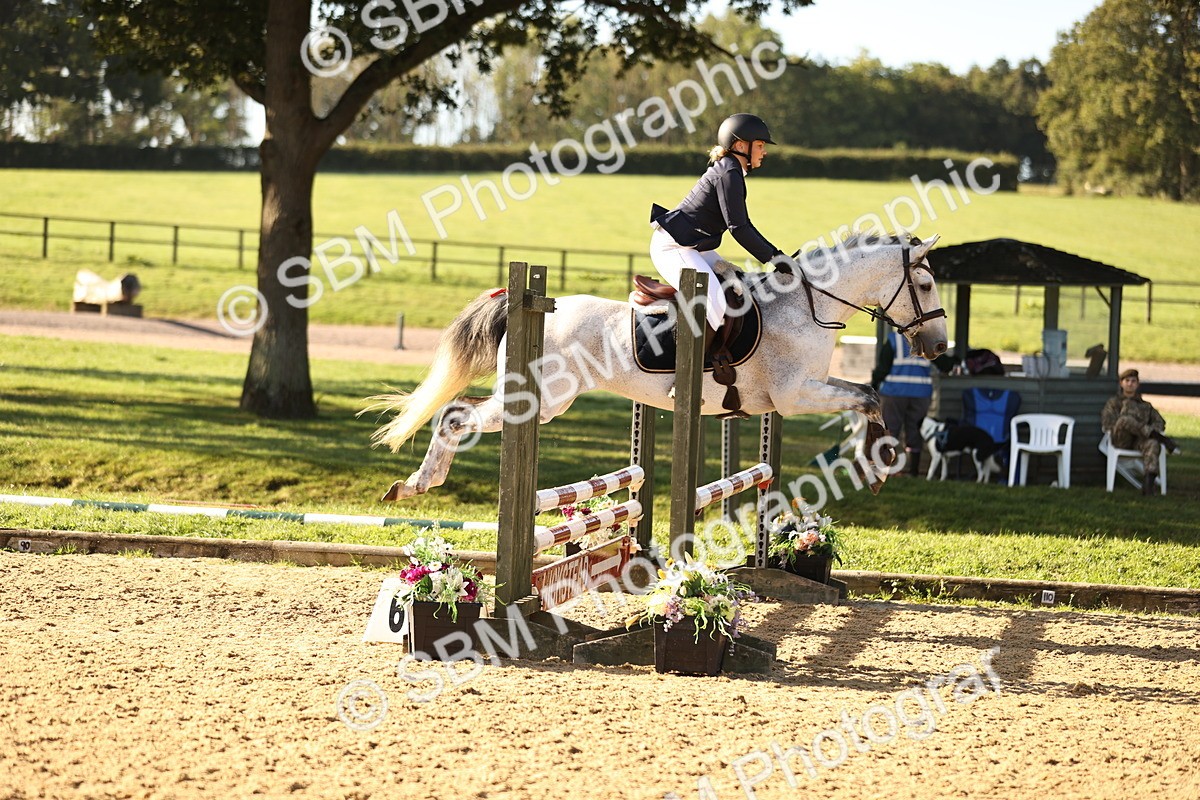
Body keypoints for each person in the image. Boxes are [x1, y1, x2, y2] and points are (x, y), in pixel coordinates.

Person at [648, 113, 796, 356]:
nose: (764, 151)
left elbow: (742, 225)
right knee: (715, 304)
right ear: (741, 146)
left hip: (696, 246)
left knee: (738, 284)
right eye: (760, 145)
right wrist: (776, 258)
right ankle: (684, 373)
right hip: (675, 247)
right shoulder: (729, 173)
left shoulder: (732, 171)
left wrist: (776, 257)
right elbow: (739, 228)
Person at [871, 331, 953, 476]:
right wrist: (957, 360)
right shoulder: (929, 340)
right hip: (920, 394)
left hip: (894, 393)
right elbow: (945, 365)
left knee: (890, 430)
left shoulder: (893, 340)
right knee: (915, 431)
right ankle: (913, 471)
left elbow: (883, 368)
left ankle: (885, 470)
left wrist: (874, 384)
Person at [1101, 368, 1180, 495]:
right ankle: (1162, 439)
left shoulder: (1145, 406)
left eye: (1133, 381)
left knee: (1153, 444)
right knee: (1125, 420)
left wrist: (1144, 429)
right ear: (1121, 383)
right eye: (1127, 381)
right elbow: (1107, 423)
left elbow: (1160, 422)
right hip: (1121, 440)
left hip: (1139, 441)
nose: (1130, 384)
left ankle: (1148, 485)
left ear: (1137, 384)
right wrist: (1131, 426)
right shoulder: (1114, 403)